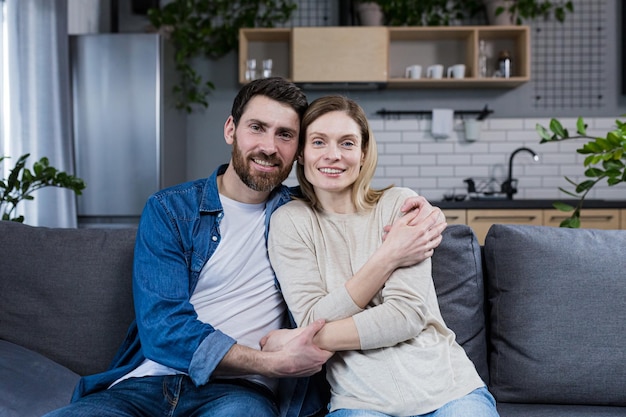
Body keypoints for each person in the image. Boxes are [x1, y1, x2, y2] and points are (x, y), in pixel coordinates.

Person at [44, 78, 446, 417]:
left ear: (299, 151)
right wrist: (272, 362)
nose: (269, 146)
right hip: (146, 384)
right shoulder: (171, 210)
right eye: (257, 128)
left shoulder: (304, 217)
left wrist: (425, 213)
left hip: (240, 394)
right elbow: (163, 329)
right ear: (231, 130)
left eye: (285, 135)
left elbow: (363, 208)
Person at [267, 95, 499, 417]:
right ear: (302, 154)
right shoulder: (290, 221)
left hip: (449, 389)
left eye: (347, 143)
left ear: (362, 154)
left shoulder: (399, 204)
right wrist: (389, 256)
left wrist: (300, 338)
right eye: (319, 142)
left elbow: (406, 317)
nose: (333, 155)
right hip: (361, 401)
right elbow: (310, 315)